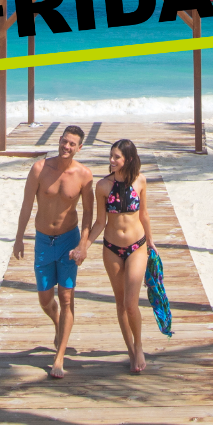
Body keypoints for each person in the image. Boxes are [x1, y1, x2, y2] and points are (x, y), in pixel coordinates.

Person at [13, 124, 95, 379]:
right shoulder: (39, 168)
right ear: (59, 141)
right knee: (45, 300)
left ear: (80, 147)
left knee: (67, 297)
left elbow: (89, 214)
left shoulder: (84, 175)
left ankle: (58, 357)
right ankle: (57, 322)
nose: (66, 147)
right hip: (42, 241)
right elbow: (27, 204)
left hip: (68, 241)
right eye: (64, 141)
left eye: (72, 144)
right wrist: (18, 238)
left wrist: (83, 244)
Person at [88, 138, 155, 374]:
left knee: (130, 303)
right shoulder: (103, 186)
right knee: (119, 302)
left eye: (117, 157)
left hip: (137, 247)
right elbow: (99, 222)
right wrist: (84, 245)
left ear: (128, 159)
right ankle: (129, 349)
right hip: (112, 248)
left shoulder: (140, 181)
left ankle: (139, 346)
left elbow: (144, 214)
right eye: (111, 156)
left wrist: (151, 242)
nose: (112, 160)